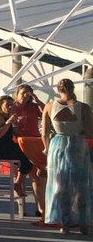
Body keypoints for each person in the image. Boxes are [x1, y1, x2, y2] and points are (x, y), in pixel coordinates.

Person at [41, 79, 92, 234]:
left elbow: (44, 133)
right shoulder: (83, 107)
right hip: (77, 145)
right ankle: (83, 223)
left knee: (60, 185)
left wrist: (47, 148)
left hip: (57, 145)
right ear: (73, 88)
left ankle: (65, 224)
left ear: (58, 89)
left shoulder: (49, 106)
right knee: (80, 186)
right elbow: (90, 131)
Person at [10, 84, 46, 217]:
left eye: (28, 93)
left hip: (33, 141)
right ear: (17, 93)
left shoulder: (33, 107)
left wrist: (37, 100)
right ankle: (21, 209)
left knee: (36, 175)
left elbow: (45, 113)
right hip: (18, 141)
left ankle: (40, 207)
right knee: (19, 174)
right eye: (23, 93)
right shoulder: (11, 107)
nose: (25, 96)